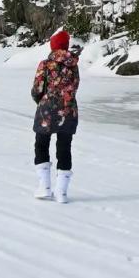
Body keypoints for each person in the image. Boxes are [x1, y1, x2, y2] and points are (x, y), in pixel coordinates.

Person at [31, 29, 80, 204]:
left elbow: (37, 89)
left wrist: (42, 101)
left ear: (53, 46)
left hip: (47, 111)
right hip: (68, 111)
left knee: (41, 144)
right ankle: (61, 192)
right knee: (64, 148)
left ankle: (44, 187)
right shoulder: (73, 65)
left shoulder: (45, 64)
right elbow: (75, 86)